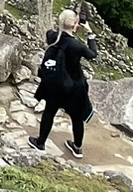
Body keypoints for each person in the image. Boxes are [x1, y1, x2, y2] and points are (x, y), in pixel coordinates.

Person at [29, 10, 101, 160]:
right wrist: (89, 33)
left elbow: (52, 32)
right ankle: (77, 148)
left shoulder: (53, 37)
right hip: (74, 88)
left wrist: (65, 27)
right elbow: (93, 54)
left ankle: (40, 142)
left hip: (56, 86)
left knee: (49, 111)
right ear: (75, 24)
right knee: (76, 117)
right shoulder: (77, 46)